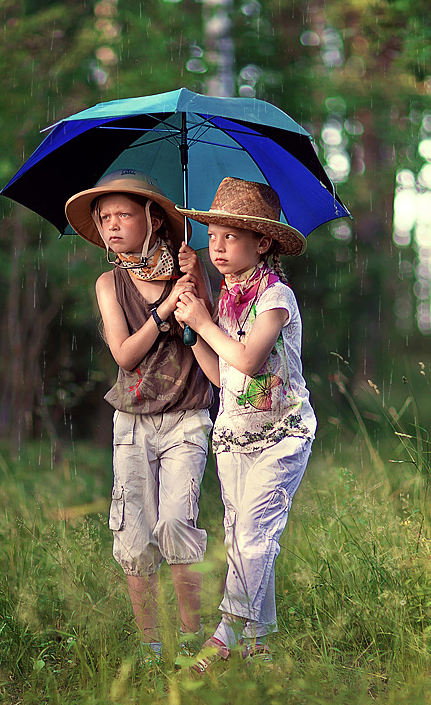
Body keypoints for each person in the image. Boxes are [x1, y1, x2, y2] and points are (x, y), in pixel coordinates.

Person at [64, 169, 215, 665]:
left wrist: (193, 289)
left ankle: (192, 644)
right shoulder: (109, 282)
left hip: (187, 416)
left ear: (151, 218)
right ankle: (151, 649)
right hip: (131, 421)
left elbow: (210, 336)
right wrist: (165, 307)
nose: (111, 225)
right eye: (104, 217)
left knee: (176, 524)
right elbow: (125, 355)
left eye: (123, 214)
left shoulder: (189, 269)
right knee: (133, 534)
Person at [173, 177, 317, 668]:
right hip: (235, 434)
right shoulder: (227, 298)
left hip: (282, 435)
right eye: (212, 236)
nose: (217, 246)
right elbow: (223, 376)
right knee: (243, 540)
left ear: (263, 241)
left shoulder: (276, 298)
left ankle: (224, 634)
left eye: (231, 236)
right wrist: (193, 331)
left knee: (255, 536)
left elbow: (251, 361)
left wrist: (202, 322)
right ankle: (259, 648)